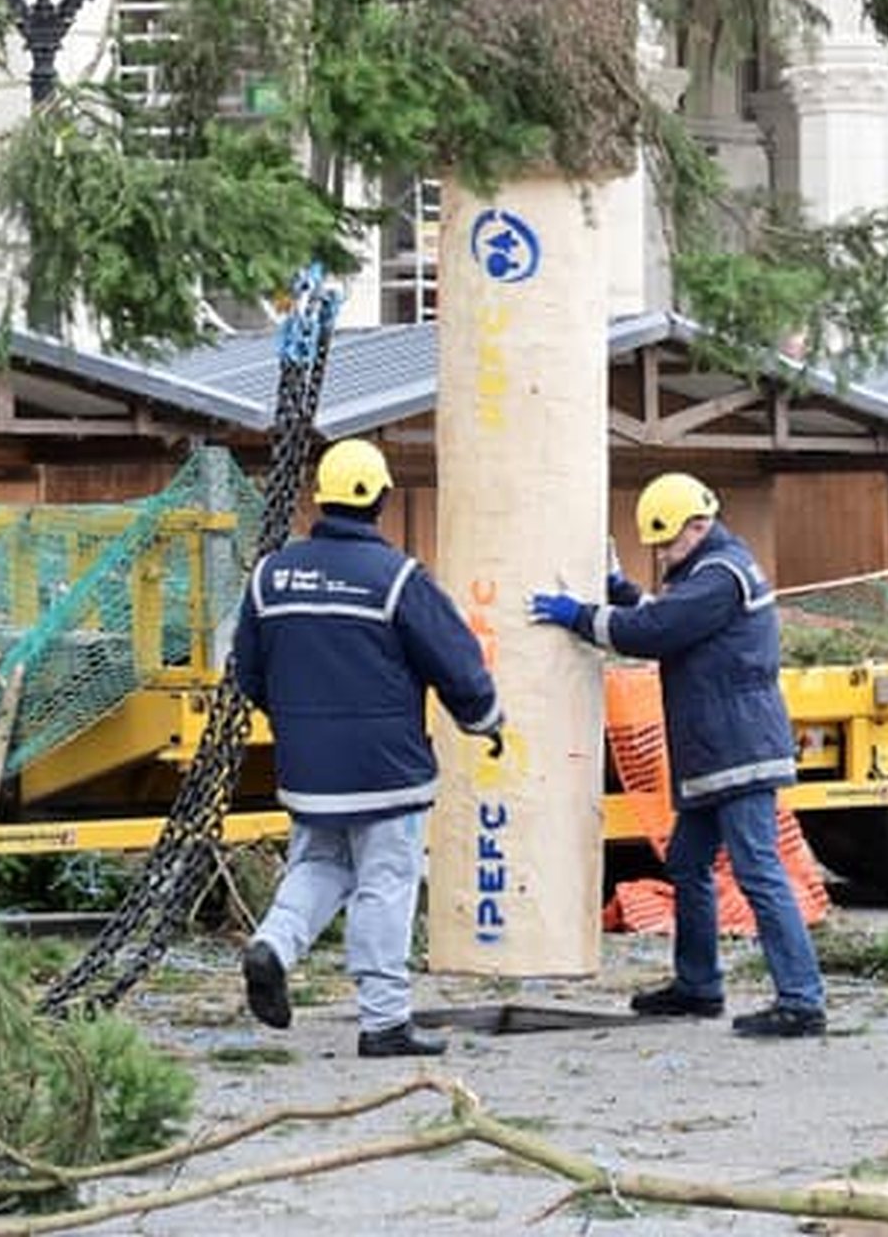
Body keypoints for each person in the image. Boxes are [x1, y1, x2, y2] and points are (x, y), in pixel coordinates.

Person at [232, 435, 504, 1058]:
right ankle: (384, 1022)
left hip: (309, 771)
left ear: (320, 499)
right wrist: (486, 720)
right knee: (385, 882)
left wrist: (303, 724)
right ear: (382, 499)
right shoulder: (397, 577)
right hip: (387, 772)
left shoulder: (271, 577)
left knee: (318, 866)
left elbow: (248, 670)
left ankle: (274, 943)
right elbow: (456, 662)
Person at [530, 468, 827, 1039]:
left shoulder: (720, 575)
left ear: (698, 524)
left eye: (668, 543)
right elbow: (667, 616)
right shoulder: (713, 571)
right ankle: (697, 986)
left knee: (757, 871)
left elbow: (656, 630)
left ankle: (801, 999)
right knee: (688, 864)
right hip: (716, 752)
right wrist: (619, 592)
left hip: (735, 751)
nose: (663, 554)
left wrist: (580, 616)